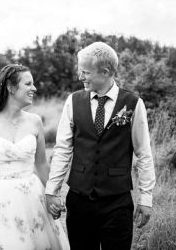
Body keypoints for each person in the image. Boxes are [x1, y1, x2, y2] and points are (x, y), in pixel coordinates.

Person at [45, 42, 156, 250]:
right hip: (79, 200)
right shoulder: (73, 101)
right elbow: (62, 149)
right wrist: (52, 189)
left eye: (85, 72)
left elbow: (144, 154)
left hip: (117, 202)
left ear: (105, 72)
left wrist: (145, 198)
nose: (80, 77)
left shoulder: (133, 103)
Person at [0, 63, 70, 250]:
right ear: (11, 88)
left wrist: (54, 194)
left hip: (31, 198)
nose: (34, 88)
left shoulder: (35, 122)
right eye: (28, 84)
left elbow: (42, 164)